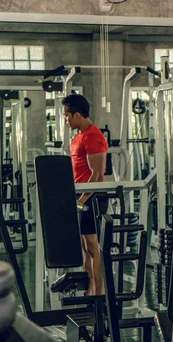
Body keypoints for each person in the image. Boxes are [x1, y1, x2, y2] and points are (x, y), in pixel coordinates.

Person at [63, 94, 108, 296]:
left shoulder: (93, 136)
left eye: (67, 116)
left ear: (78, 115)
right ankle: (88, 289)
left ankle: (99, 292)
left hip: (92, 198)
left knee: (93, 247)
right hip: (81, 195)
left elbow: (97, 174)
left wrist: (81, 201)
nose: (66, 120)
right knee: (85, 246)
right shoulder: (77, 137)